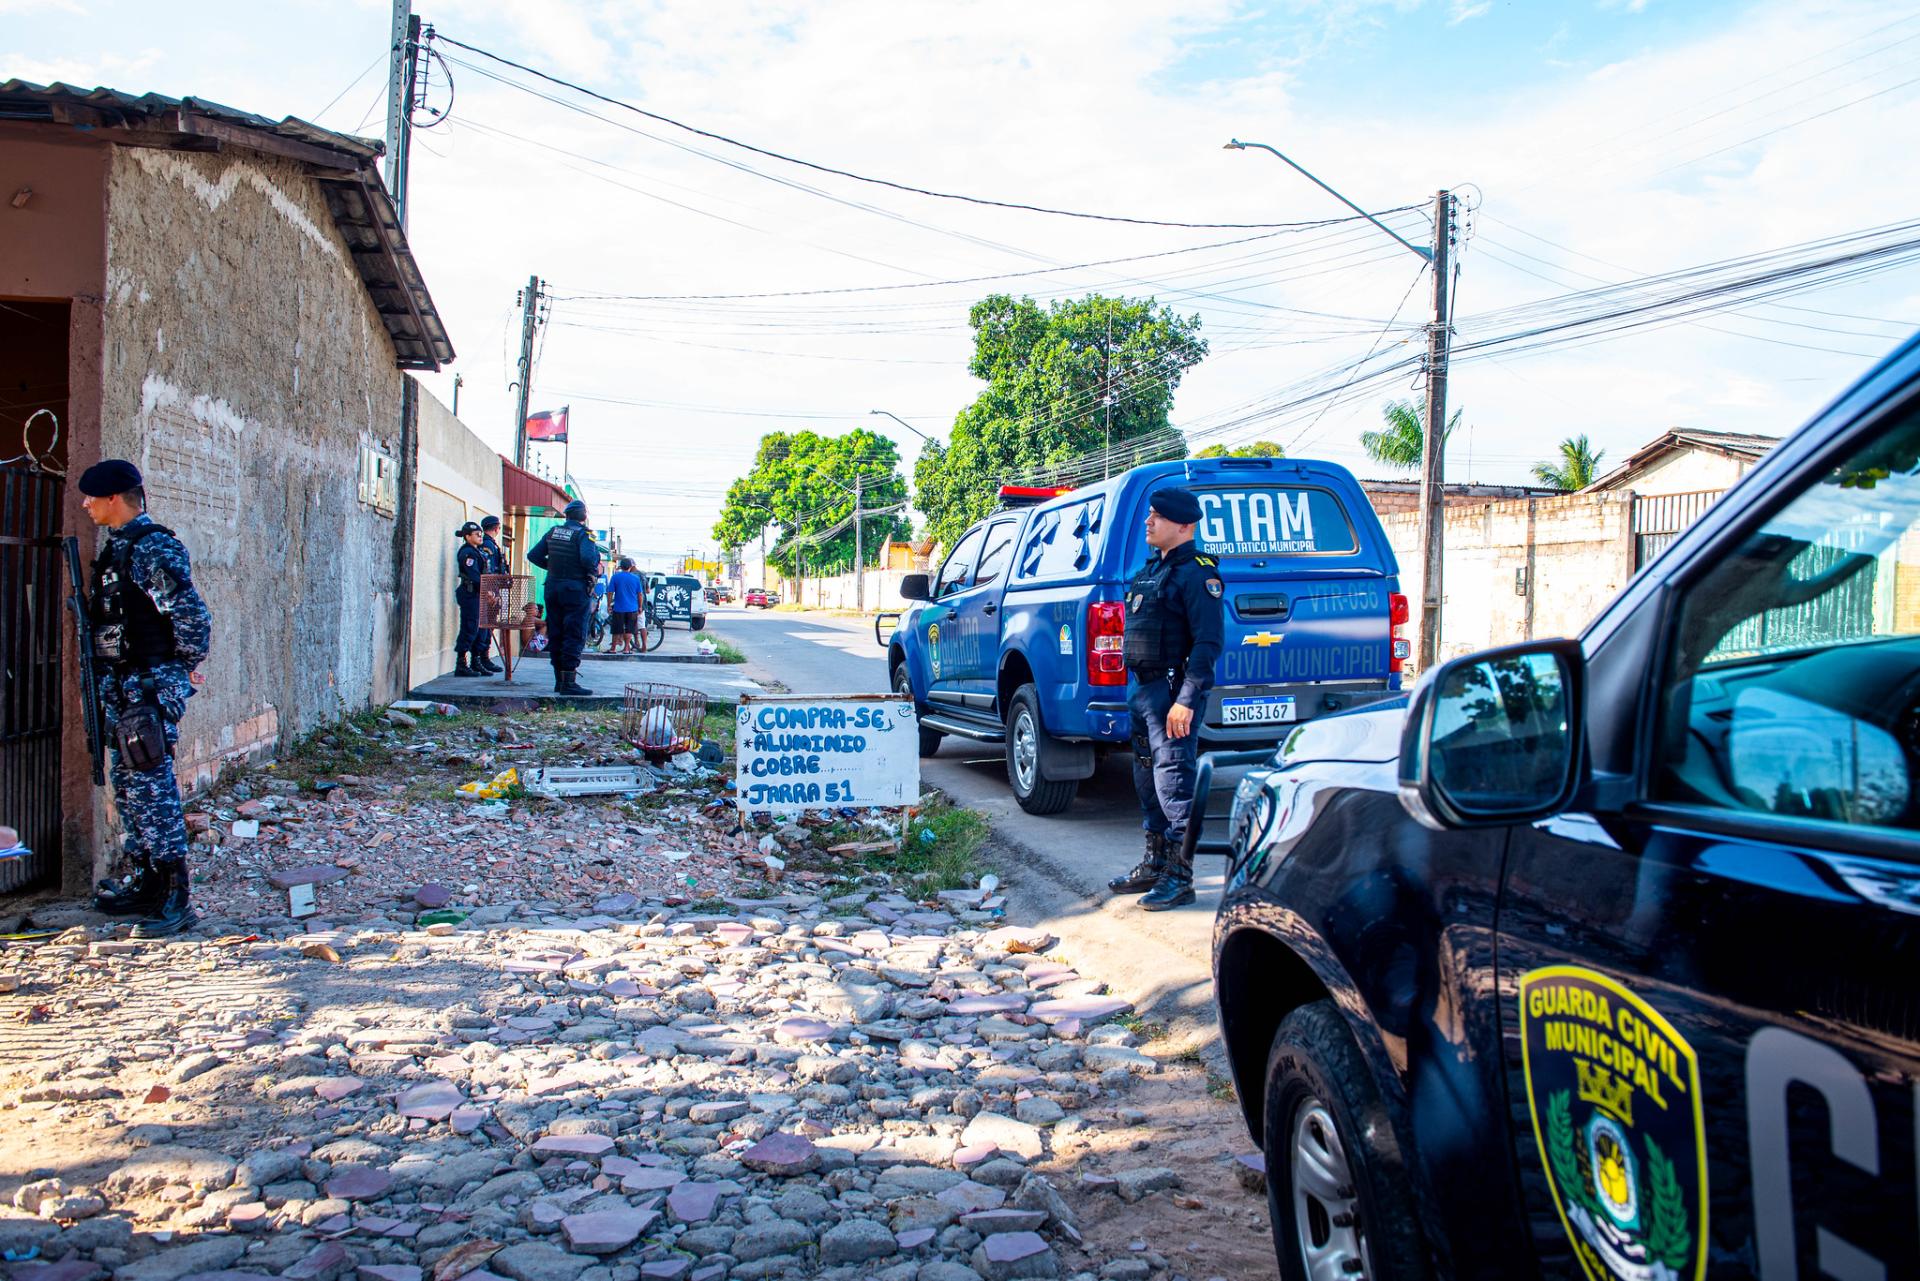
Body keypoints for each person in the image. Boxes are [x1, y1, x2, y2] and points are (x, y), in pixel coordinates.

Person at [78, 459, 213, 937]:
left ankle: (178, 895)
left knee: (152, 785)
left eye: (92, 497)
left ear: (115, 498)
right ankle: (149, 882)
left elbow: (192, 617)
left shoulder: (149, 546)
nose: (86, 505)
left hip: (149, 683)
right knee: (131, 784)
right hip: (125, 684)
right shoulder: (118, 550)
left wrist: (177, 668)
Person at [1107, 487, 1223, 911]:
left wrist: (1187, 700)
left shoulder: (1197, 574)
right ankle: (1155, 863)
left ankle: (1181, 876)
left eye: (1157, 516)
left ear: (1184, 525)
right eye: (1149, 514)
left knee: (1174, 783)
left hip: (1173, 695)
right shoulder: (1152, 570)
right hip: (1143, 693)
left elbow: (1208, 644)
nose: (1148, 521)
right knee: (1146, 780)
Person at [526, 499, 601, 695]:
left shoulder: (553, 532)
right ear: (583, 516)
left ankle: (559, 681)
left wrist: (552, 568)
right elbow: (587, 559)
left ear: (566, 515)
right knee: (574, 633)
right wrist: (591, 572)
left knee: (556, 633)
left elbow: (533, 555)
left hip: (552, 588)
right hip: (575, 589)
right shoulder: (585, 535)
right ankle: (569, 682)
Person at [469, 515, 506, 675]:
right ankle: (480, 658)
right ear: (497, 528)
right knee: (484, 625)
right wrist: (491, 591)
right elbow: (488, 569)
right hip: (489, 591)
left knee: (488, 624)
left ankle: (484, 657)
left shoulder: (489, 544)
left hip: (491, 589)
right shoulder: (488, 546)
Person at [452, 522, 486, 677]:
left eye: (481, 534)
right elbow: (474, 576)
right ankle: (461, 663)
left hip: (477, 594)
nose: (480, 536)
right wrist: (488, 589)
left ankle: (475, 661)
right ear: (467, 536)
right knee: (469, 627)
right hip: (469, 593)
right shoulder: (468, 553)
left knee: (478, 630)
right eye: (476, 534)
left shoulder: (476, 551)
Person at [608, 558, 644, 654]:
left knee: (616, 629)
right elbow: (640, 594)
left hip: (619, 607)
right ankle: (626, 648)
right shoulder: (635, 578)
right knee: (629, 629)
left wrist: (608, 605)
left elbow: (610, 592)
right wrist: (640, 606)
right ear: (630, 567)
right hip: (632, 608)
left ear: (621, 567)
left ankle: (613, 649)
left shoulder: (615, 577)